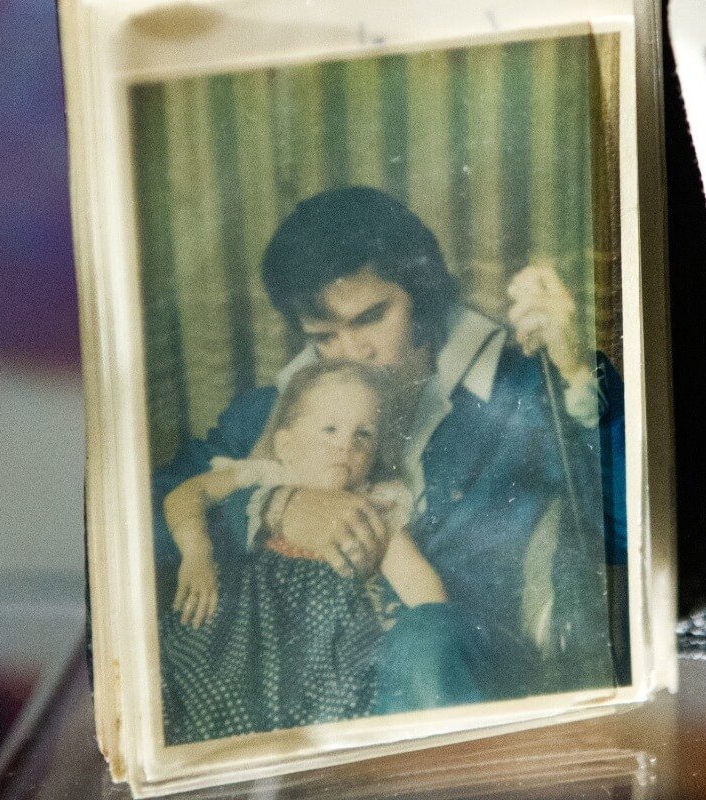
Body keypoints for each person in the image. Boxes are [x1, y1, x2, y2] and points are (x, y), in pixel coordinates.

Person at [152, 186, 623, 712]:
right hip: (292, 695)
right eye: (324, 336)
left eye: (371, 318)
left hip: (448, 680)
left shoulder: (519, 392)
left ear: (423, 299)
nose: (354, 352)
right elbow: (137, 522)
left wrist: (580, 374)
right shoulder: (275, 410)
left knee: (423, 643)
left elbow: (629, 530)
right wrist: (280, 506)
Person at [157, 360, 471, 743]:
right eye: (330, 429)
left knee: (350, 710)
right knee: (217, 693)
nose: (346, 445)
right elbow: (185, 495)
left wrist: (435, 638)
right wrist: (197, 554)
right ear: (287, 445)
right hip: (248, 623)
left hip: (335, 642)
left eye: (363, 434)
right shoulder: (267, 476)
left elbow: (419, 584)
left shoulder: (374, 506)